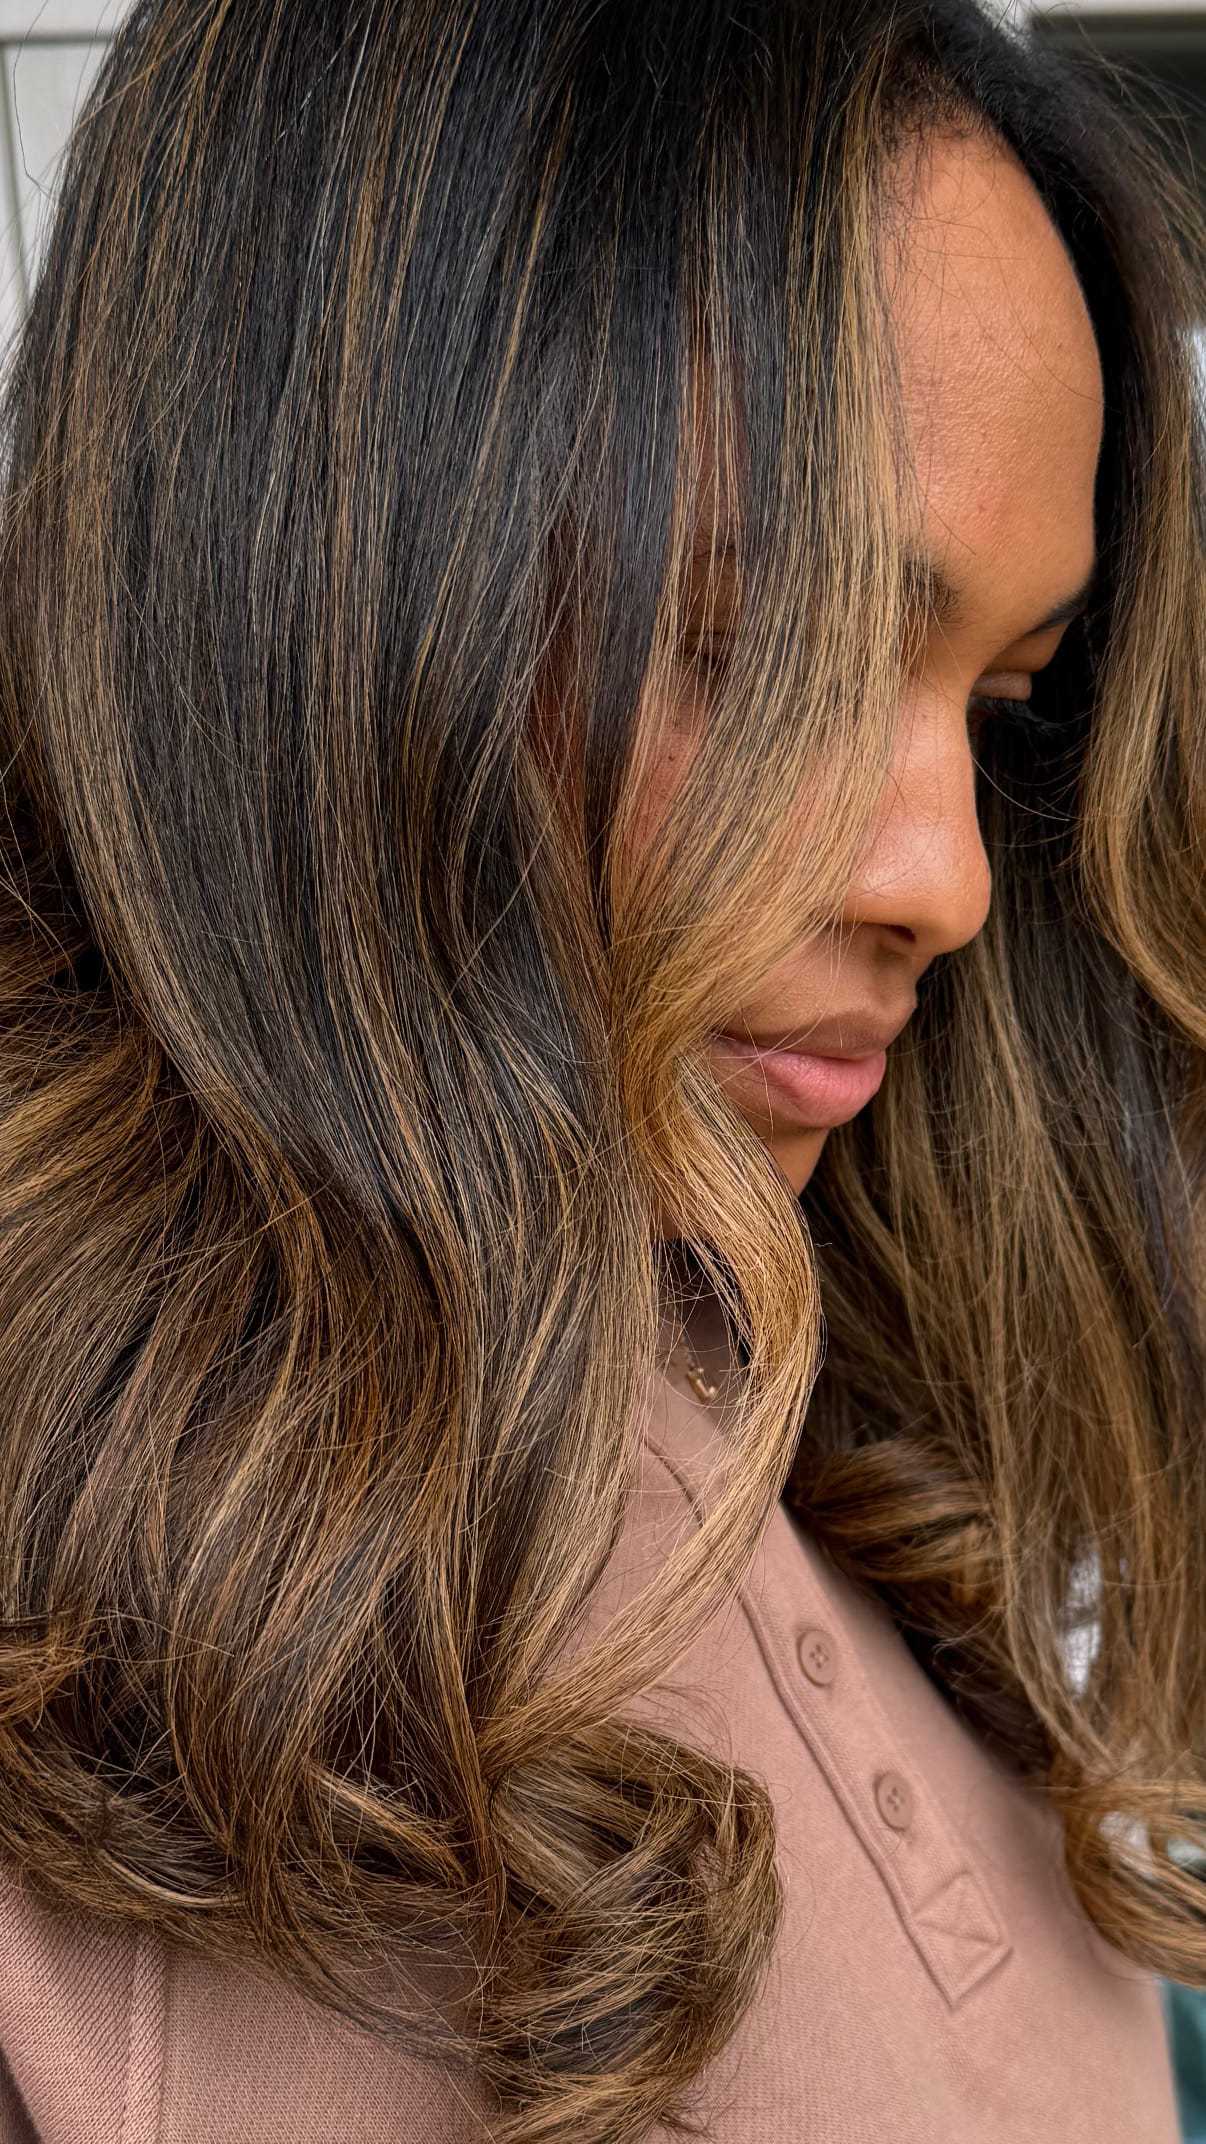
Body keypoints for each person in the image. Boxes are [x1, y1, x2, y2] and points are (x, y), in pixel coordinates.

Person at [0, 1, 1201, 2139]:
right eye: (772, 645)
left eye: (1002, 704)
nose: (945, 879)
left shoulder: (827, 1392)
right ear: (319, 565)